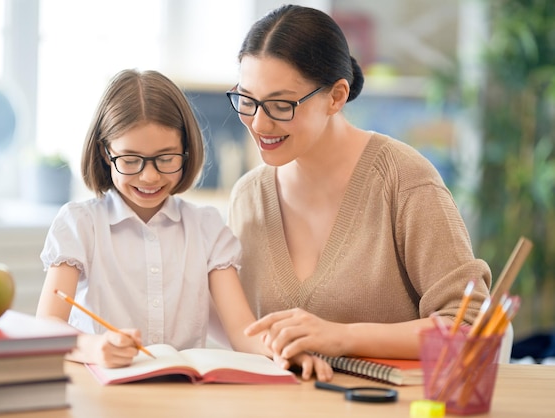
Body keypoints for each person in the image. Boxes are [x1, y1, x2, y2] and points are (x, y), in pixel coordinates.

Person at [224, 5, 492, 362]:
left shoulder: (404, 179)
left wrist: (342, 337)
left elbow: (469, 326)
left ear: (336, 96)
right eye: (247, 99)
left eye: (280, 105)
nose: (258, 123)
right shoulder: (248, 197)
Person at [35, 69, 330, 380]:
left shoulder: (206, 227)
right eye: (131, 160)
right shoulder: (80, 224)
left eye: (166, 158)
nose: (149, 177)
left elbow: (242, 331)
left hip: (184, 394)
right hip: (100, 389)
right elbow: (47, 324)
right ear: (106, 154)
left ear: (187, 153)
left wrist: (283, 351)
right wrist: (93, 347)